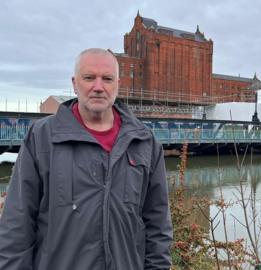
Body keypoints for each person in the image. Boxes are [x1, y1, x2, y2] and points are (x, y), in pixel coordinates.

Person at [0, 48, 173, 269]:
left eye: (107, 79)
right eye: (89, 77)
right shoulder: (42, 137)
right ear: (74, 83)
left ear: (117, 84)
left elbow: (158, 226)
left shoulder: (144, 142)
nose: (98, 87)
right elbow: (16, 224)